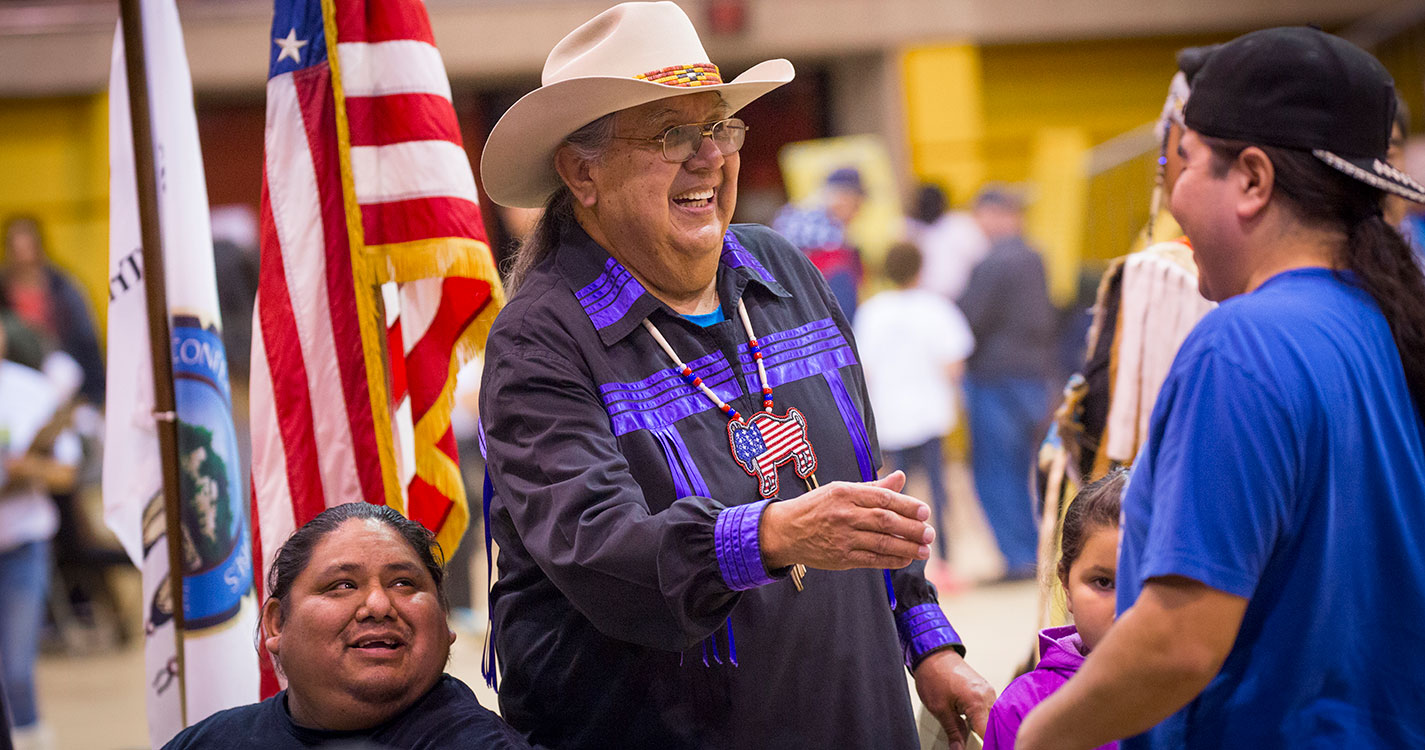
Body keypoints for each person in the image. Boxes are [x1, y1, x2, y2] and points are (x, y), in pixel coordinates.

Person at [476, 3, 995, 748]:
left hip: (857, 712)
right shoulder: (542, 338)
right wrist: (777, 533)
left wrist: (929, 646)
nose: (709, 157)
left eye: (719, 128)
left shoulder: (781, 268)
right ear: (580, 172)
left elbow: (863, 491)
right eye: (670, 134)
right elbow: (599, 547)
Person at [1018, 27, 1425, 749]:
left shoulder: (1240, 345)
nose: (1171, 195)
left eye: (1183, 162)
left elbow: (1176, 643)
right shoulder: (1375, 320)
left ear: (1251, 180)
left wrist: (1036, 737)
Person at [162, 502, 528, 749]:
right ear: (276, 624)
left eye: (404, 583)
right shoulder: (211, 741)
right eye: (343, 586)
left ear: (443, 620)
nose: (378, 605)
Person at [854, 241, 974, 588]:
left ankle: (900, 569)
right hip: (930, 413)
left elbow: (866, 370)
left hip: (889, 417)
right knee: (939, 489)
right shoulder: (936, 308)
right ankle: (948, 563)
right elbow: (954, 365)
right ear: (921, 268)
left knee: (894, 495)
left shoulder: (871, 311)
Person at [983, 470, 1125, 750]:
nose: (1123, 606)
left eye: (1144, 582)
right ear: (1066, 584)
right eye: (1103, 582)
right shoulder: (1024, 709)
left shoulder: (1204, 695)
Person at [956, 187, 1055, 579]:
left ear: (1000, 215)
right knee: (1027, 468)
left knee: (998, 471)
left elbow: (969, 318)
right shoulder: (1035, 257)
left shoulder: (993, 263)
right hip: (1034, 373)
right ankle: (1035, 551)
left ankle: (1019, 557)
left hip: (995, 377)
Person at [1, 320, 82, 750]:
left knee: (16, 668)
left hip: (22, 546)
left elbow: (66, 473)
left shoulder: (33, 391)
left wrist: (24, 468)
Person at [1, 216, 104, 406]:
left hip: (61, 379)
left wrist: (95, 397)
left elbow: (87, 342)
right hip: (12, 380)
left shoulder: (64, 289)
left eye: (28, 253)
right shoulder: (3, 292)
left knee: (63, 371)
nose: (24, 261)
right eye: (17, 253)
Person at [771, 166, 867, 318]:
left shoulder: (792, 214)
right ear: (843, 198)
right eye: (856, 205)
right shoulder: (827, 233)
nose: (857, 213)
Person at [907, 183, 990, 303]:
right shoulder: (908, 229)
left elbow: (982, 262)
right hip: (919, 301)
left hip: (959, 300)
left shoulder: (961, 226)